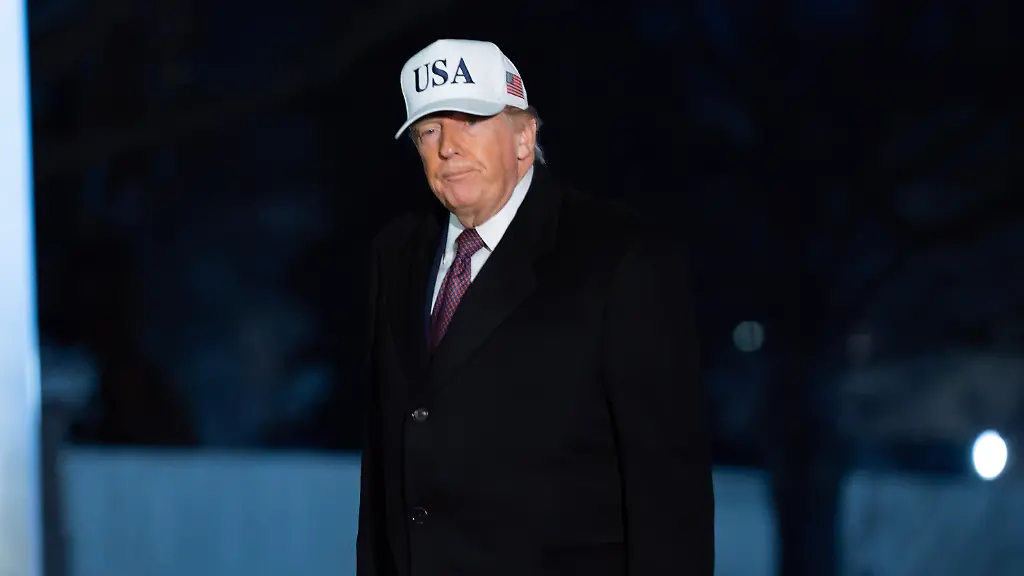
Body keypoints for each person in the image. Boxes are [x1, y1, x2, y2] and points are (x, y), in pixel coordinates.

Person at [358, 38, 714, 576]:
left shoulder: (620, 257)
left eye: (469, 121)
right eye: (428, 130)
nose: (447, 147)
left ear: (525, 136)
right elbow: (386, 463)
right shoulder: (395, 253)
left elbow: (668, 489)